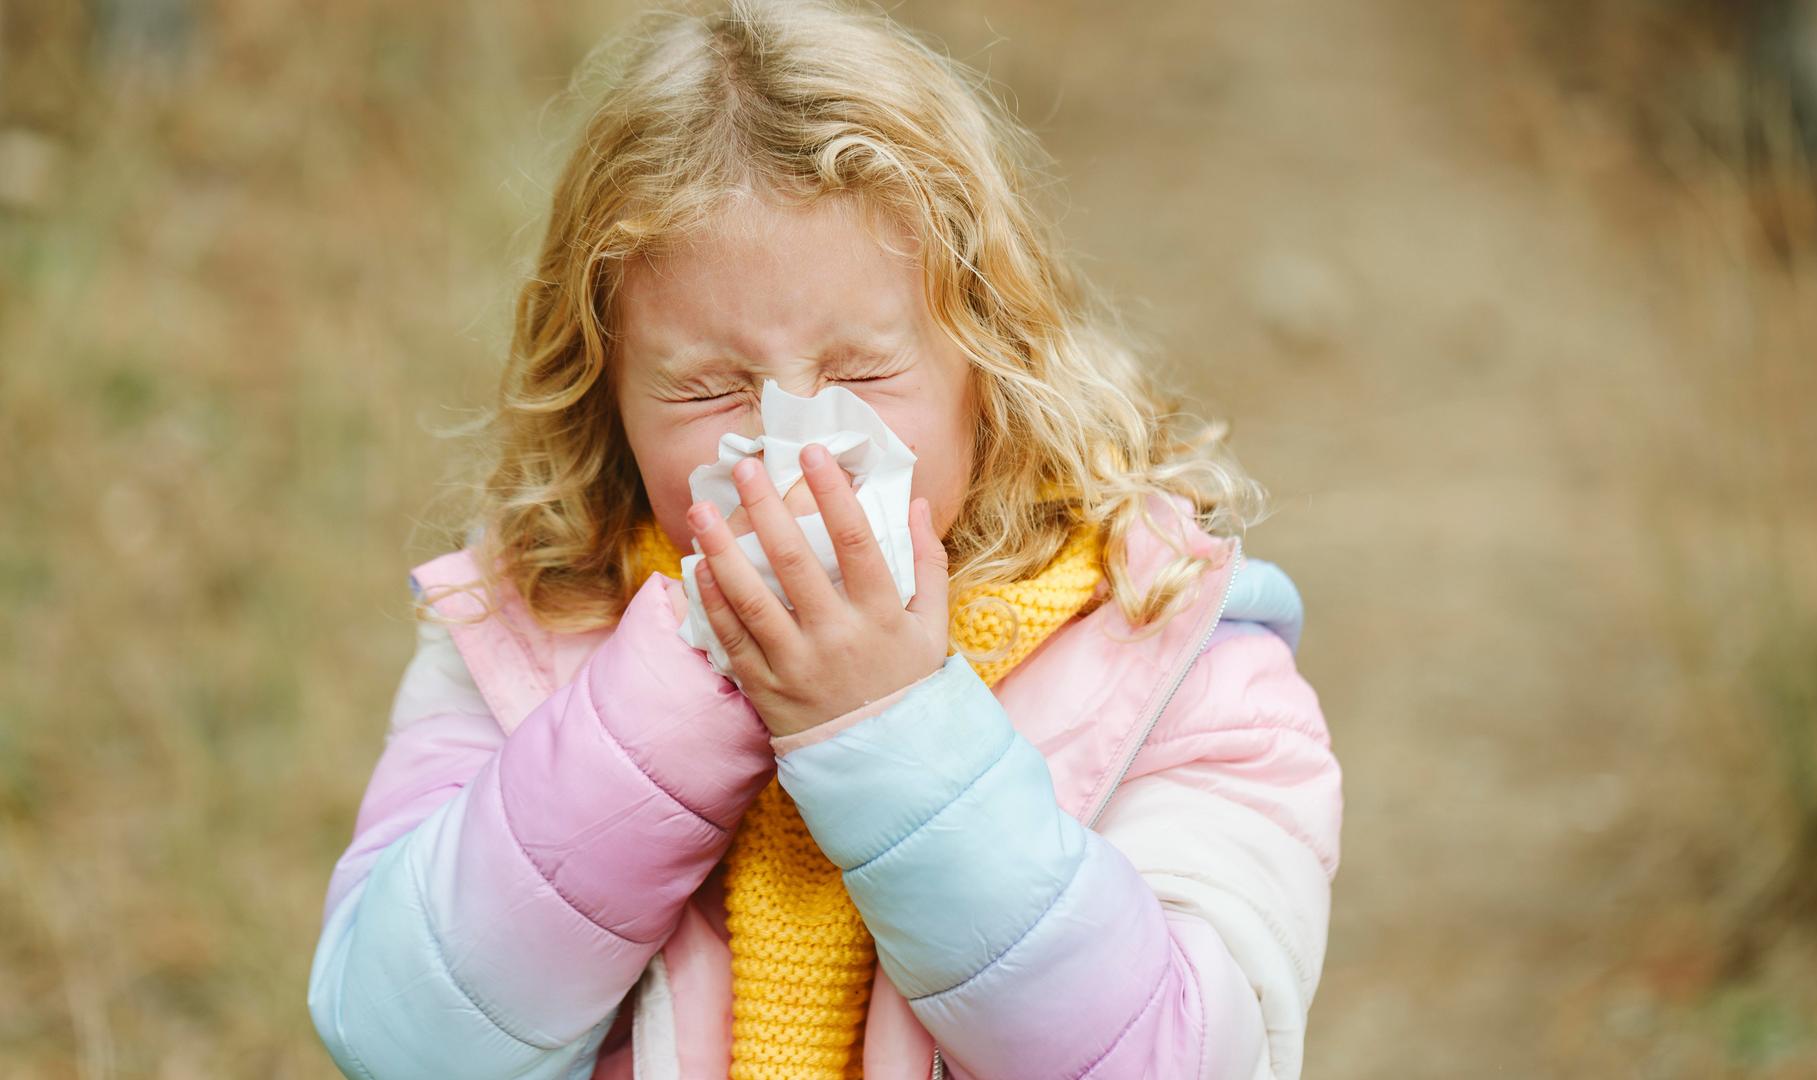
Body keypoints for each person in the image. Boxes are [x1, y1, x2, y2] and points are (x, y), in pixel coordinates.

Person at [305, 2, 1341, 1077]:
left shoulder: (1168, 658)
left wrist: (888, 735)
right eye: (709, 386)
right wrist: (675, 703)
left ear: (987, 358)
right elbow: (400, 1039)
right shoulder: (531, 627)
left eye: (860, 374)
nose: (794, 447)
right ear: (602, 389)